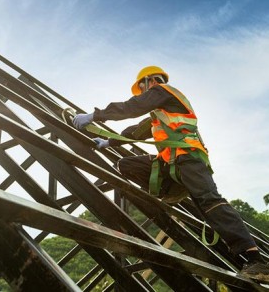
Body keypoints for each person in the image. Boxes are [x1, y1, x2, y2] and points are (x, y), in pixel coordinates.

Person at [72, 65, 269, 283]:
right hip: (171, 166)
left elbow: (132, 106)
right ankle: (170, 192)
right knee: (127, 165)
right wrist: (108, 141)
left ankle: (255, 259)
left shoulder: (165, 91)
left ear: (150, 81)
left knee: (211, 202)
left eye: (142, 87)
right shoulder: (159, 114)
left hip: (190, 160)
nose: (142, 92)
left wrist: (95, 115)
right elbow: (135, 131)